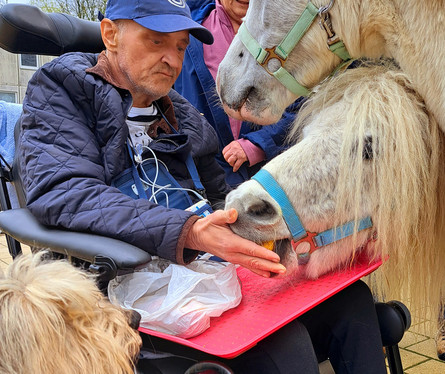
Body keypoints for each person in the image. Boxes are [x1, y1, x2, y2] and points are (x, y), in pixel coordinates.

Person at [15, 0, 387, 373]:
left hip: (206, 275)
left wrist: (288, 229)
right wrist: (190, 233)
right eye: (156, 41)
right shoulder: (60, 89)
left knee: (351, 304)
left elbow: (220, 196)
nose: (172, 60)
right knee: (284, 346)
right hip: (127, 289)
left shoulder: (181, 112)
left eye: (179, 46)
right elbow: (65, 192)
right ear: (110, 35)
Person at [174, 0, 300, 187]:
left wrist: (257, 144)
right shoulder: (184, 35)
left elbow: (304, 104)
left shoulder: (290, 35)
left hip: (274, 178)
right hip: (204, 182)